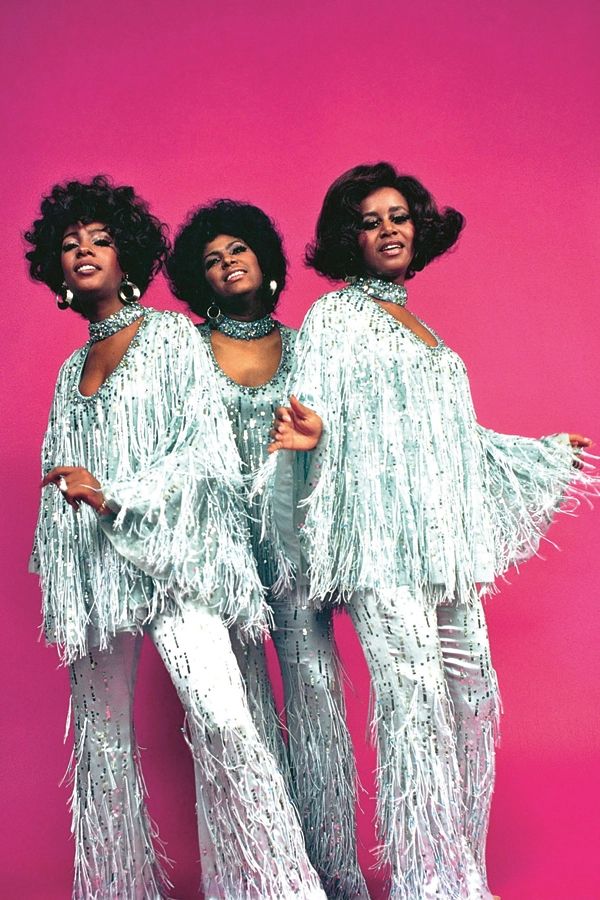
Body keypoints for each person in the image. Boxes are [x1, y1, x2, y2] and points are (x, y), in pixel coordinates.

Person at [264, 162, 596, 900]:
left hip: (440, 552)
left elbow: (456, 441)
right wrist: (311, 428)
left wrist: (541, 453)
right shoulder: (335, 317)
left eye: (400, 216)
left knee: (473, 701)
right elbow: (311, 407)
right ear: (349, 238)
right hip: (380, 555)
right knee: (414, 710)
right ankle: (429, 884)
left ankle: (459, 872)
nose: (388, 230)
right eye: (371, 220)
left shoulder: (422, 327)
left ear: (420, 229)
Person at [25, 176, 326, 900]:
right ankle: (115, 889)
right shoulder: (71, 372)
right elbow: (57, 487)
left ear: (128, 257)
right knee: (101, 744)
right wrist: (70, 574)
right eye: (70, 246)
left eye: (100, 240)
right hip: (97, 574)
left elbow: (204, 451)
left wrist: (118, 496)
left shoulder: (166, 337)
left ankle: (285, 889)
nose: (85, 252)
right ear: (58, 274)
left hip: (175, 562)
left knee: (225, 720)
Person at [167, 199, 368, 900]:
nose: (227, 263)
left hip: (293, 545)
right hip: (216, 548)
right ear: (200, 279)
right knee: (241, 709)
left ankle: (334, 870)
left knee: (315, 696)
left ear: (265, 260)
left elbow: (340, 435)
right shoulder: (184, 350)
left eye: (239, 250)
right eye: (212, 259)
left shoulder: (308, 345)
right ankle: (264, 877)